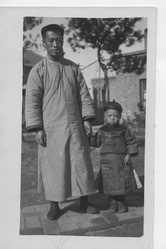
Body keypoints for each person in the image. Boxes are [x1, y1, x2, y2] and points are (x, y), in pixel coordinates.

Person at [25, 24, 97, 220]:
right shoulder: (38, 71)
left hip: (75, 126)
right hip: (51, 128)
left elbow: (83, 95)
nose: (56, 44)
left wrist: (87, 119)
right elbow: (32, 101)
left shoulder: (73, 68)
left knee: (80, 163)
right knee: (54, 167)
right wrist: (37, 128)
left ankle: (84, 202)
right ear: (44, 43)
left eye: (59, 40)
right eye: (51, 40)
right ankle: (55, 205)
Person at [91, 100, 141, 213]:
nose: (112, 118)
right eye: (110, 115)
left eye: (115, 115)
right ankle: (113, 202)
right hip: (107, 161)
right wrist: (90, 136)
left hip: (122, 160)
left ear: (120, 116)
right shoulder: (101, 131)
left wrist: (129, 154)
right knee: (110, 182)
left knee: (122, 181)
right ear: (105, 117)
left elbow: (132, 142)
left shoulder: (125, 129)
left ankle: (121, 202)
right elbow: (96, 143)